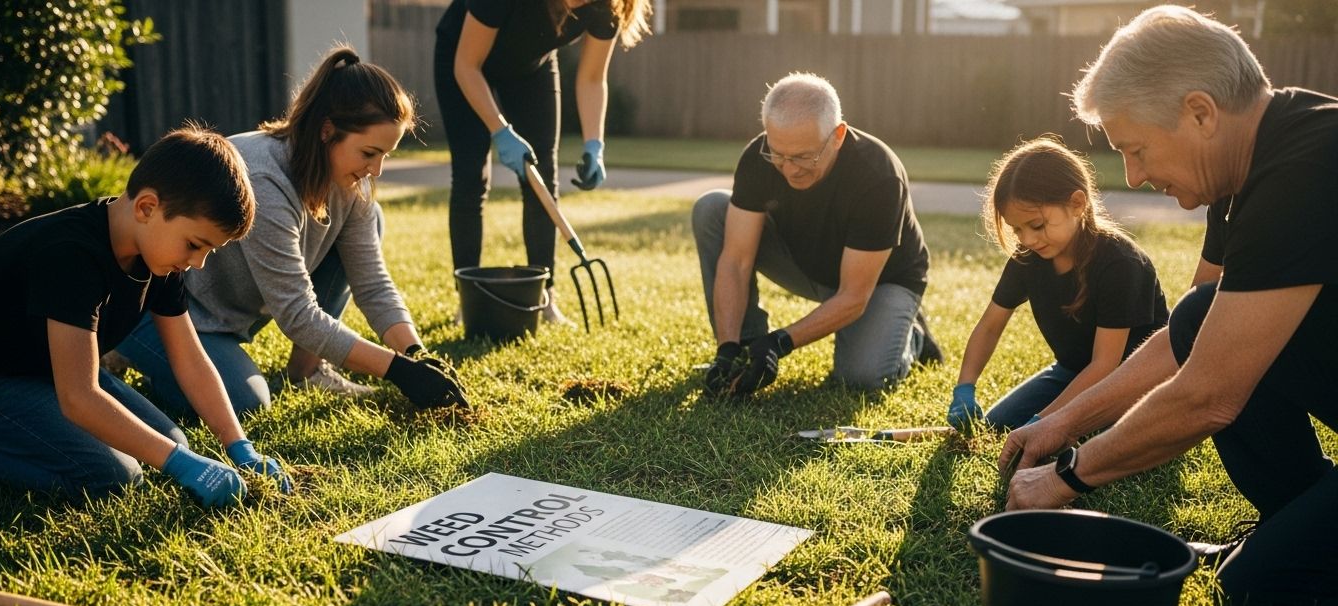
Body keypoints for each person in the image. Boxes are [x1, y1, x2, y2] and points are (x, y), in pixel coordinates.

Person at [999, 5, 1338, 606]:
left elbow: (1208, 394)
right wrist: (1061, 422)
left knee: (1259, 586)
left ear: (1200, 112)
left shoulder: (1309, 166)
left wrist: (1066, 477)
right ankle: (1297, 515)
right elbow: (1196, 337)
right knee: (1199, 311)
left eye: (1136, 149)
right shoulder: (1251, 165)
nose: (1134, 175)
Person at [0, 126, 290, 506]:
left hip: (45, 368)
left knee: (174, 442)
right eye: (195, 245)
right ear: (147, 207)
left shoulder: (158, 255)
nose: (197, 262)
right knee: (113, 476)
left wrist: (239, 445)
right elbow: (79, 397)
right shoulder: (72, 255)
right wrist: (181, 464)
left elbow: (189, 359)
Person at [116, 47, 467, 416]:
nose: (376, 170)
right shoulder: (265, 179)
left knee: (372, 216)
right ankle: (126, 347)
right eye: (368, 153)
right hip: (163, 310)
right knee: (245, 402)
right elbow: (296, 312)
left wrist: (416, 355)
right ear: (327, 131)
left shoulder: (352, 187)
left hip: (227, 316)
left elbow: (373, 283)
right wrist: (397, 371)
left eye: (385, 155)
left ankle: (307, 368)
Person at [694, 72, 939, 397]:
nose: (790, 168)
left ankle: (913, 336)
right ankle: (745, 348)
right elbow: (736, 260)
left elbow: (853, 295)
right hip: (807, 263)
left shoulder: (878, 175)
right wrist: (727, 348)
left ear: (837, 135)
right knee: (712, 209)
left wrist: (779, 342)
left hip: (880, 282)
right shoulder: (758, 156)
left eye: (803, 156)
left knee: (861, 379)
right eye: (778, 154)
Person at [433, 0, 652, 324]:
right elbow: (467, 65)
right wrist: (500, 130)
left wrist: (595, 143)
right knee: (470, 176)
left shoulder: (607, 6)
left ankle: (544, 298)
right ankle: (469, 300)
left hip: (529, 68)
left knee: (542, 176)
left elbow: (592, 78)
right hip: (464, 62)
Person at [947, 136, 1168, 433]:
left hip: (1132, 383)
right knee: (993, 427)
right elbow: (990, 325)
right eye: (1017, 230)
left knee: (1077, 438)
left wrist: (1044, 423)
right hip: (1072, 373)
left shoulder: (1120, 264)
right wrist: (965, 387)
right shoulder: (1028, 259)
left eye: (1036, 225)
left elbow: (1105, 365)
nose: (1026, 239)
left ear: (1077, 203)